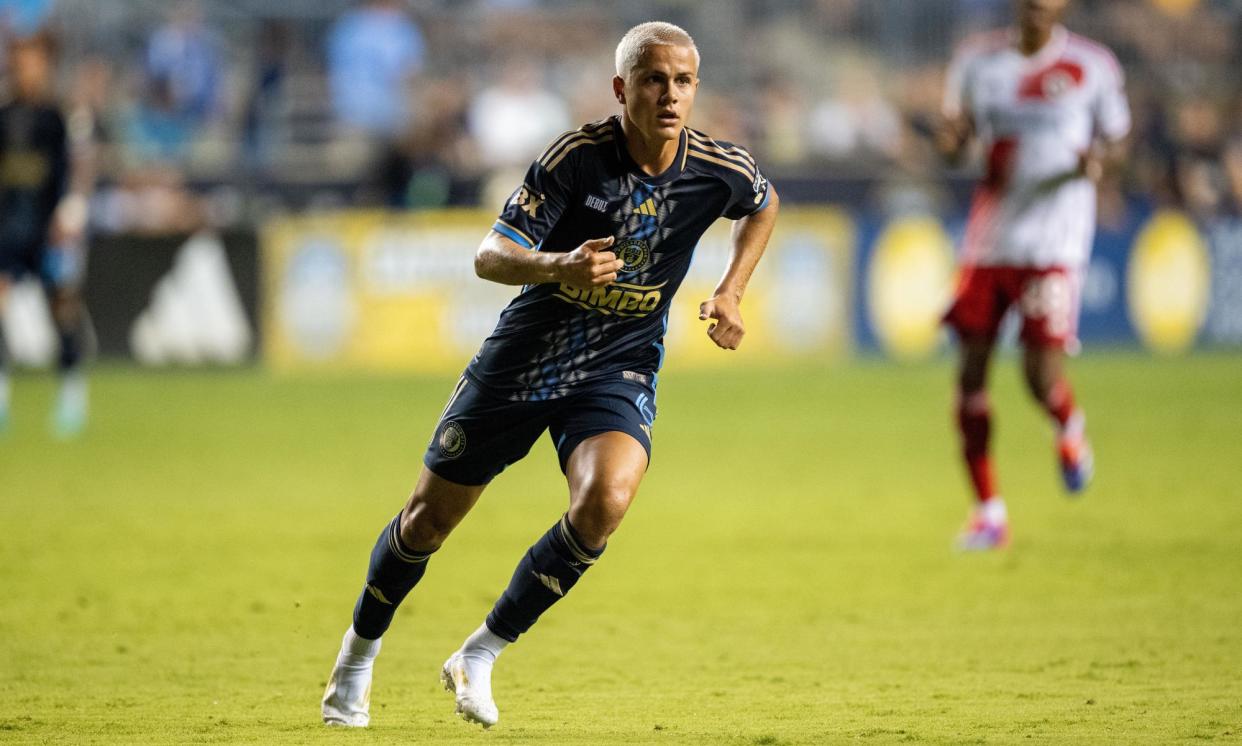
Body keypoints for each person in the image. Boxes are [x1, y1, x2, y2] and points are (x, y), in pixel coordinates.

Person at [321, 20, 779, 729]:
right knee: (427, 520)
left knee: (606, 501)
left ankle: (480, 653)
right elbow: (489, 255)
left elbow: (763, 203)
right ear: (622, 88)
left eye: (684, 81)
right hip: (524, 359)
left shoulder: (717, 168)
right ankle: (357, 656)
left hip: (616, 365)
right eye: (655, 80)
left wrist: (731, 290)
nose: (670, 94)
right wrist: (558, 264)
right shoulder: (576, 158)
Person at [934, 0, 1130, 550]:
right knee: (970, 375)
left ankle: (1069, 427)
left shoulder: (1092, 66)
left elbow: (1117, 141)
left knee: (1039, 377)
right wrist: (948, 142)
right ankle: (989, 514)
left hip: (1054, 242)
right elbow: (956, 145)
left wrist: (1101, 164)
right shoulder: (977, 62)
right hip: (989, 240)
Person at [0, 32, 96, 437]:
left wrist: (72, 211)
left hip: (50, 231)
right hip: (7, 230)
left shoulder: (61, 118)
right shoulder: (4, 116)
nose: (28, 71)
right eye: (22, 62)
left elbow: (81, 167)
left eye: (35, 62)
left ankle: (72, 395)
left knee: (62, 311)